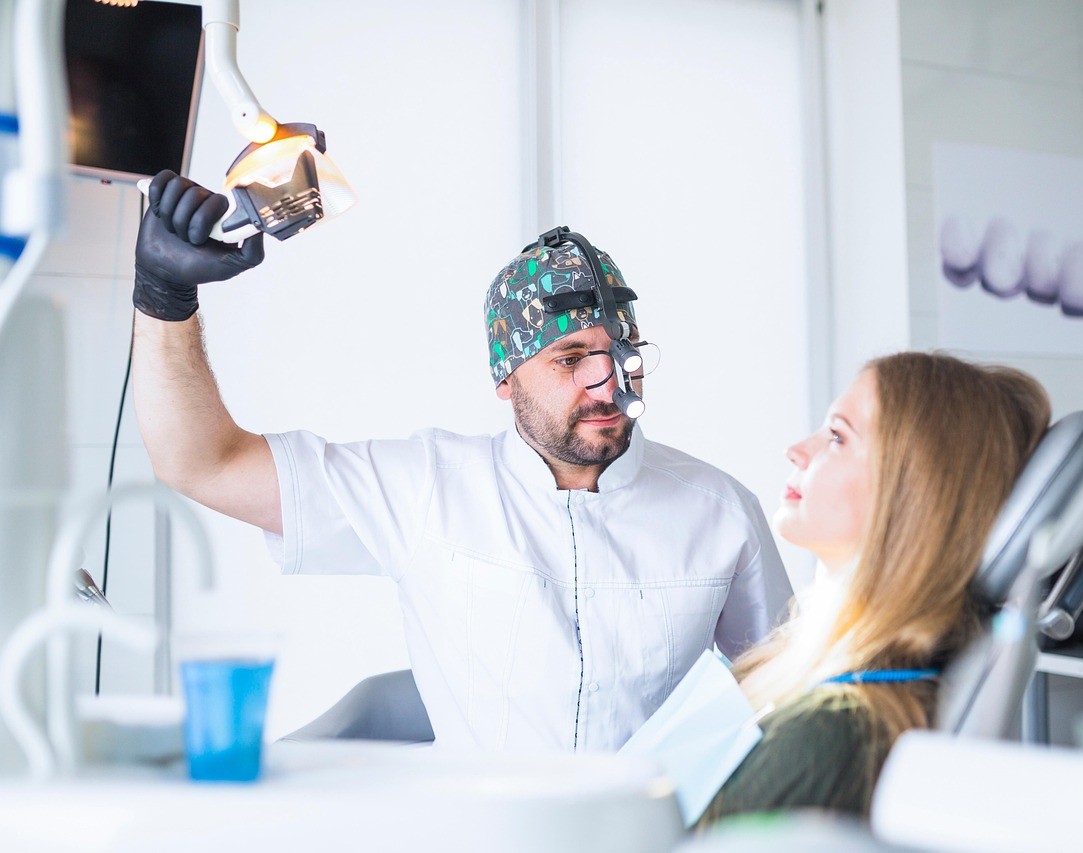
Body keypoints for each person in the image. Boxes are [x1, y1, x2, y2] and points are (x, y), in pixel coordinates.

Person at [130, 170, 792, 753]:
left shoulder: (722, 512)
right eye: (569, 358)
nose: (606, 380)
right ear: (506, 377)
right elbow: (202, 463)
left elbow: (786, 705)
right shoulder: (426, 488)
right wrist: (165, 298)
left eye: (621, 351)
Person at [698, 351, 1051, 824]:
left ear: (914, 492)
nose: (798, 449)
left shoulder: (830, 735)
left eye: (838, 436)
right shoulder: (797, 671)